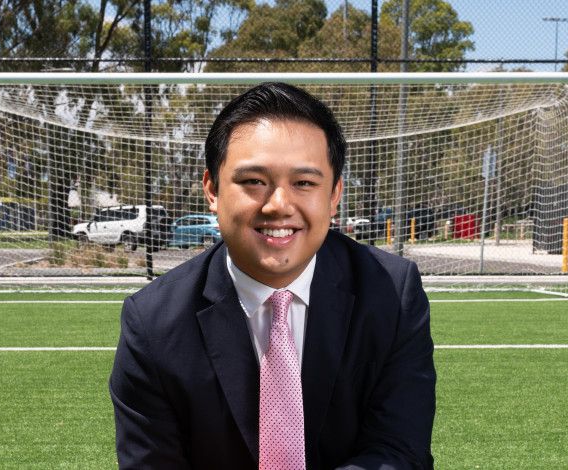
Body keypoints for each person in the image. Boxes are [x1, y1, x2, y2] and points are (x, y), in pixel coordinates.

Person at [110, 82, 436, 469]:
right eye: (253, 182)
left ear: (334, 196)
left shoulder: (392, 295)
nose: (279, 205)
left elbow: (400, 451)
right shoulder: (153, 323)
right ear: (212, 190)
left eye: (304, 183)